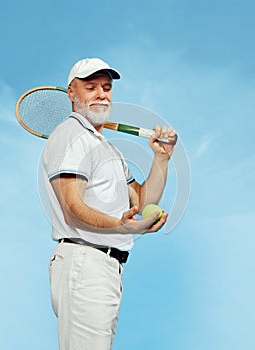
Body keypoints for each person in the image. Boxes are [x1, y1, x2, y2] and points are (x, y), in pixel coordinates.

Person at [42, 57, 177, 350]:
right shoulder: (71, 136)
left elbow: (142, 201)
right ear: (71, 94)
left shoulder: (106, 147)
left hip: (104, 268)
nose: (101, 94)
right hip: (85, 263)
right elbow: (73, 209)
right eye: (90, 87)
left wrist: (161, 158)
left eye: (106, 87)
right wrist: (120, 224)